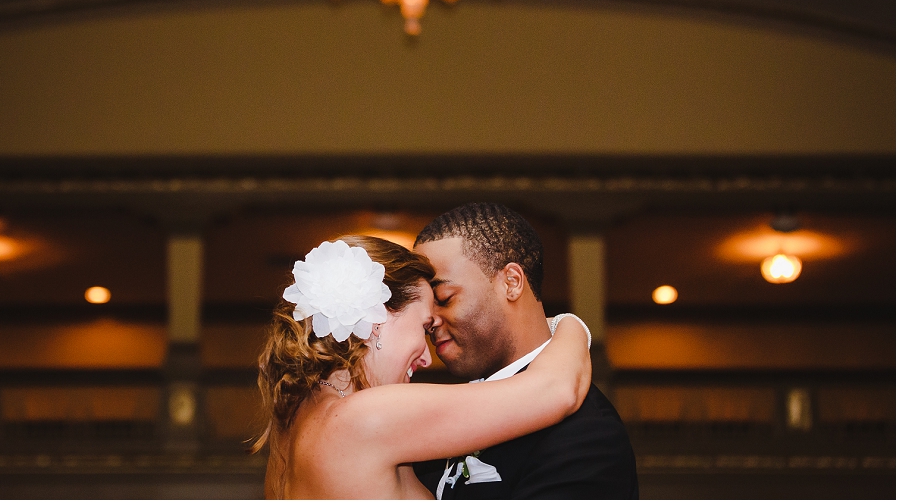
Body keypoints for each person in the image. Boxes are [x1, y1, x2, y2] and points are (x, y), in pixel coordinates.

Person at [256, 234, 593, 499]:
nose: (427, 358)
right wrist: (568, 324)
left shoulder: (297, 419)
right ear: (378, 319)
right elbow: (557, 390)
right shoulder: (364, 418)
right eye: (425, 327)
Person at [413, 202, 639, 499]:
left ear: (512, 282)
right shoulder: (427, 415)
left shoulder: (586, 436)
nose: (430, 320)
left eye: (444, 298)